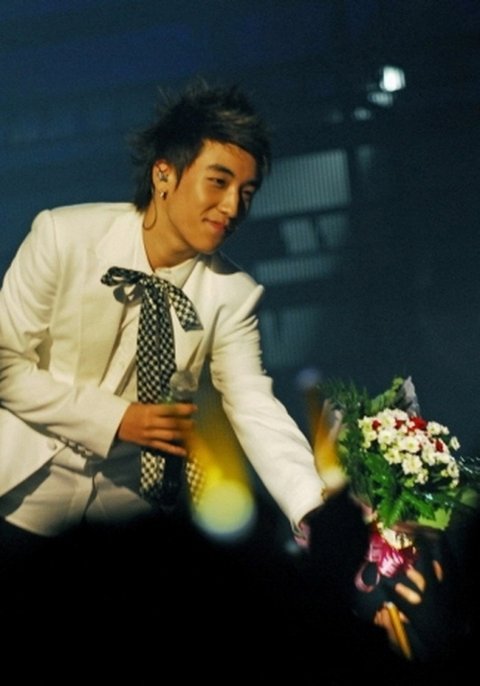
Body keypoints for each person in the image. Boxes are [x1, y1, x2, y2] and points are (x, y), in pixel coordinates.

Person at [0, 80, 326, 550]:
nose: (233, 206)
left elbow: (253, 405)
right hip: (18, 496)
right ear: (164, 175)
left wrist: (313, 509)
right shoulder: (63, 236)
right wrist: (116, 419)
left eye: (247, 191)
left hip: (128, 520)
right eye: (218, 182)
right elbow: (6, 366)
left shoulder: (234, 294)